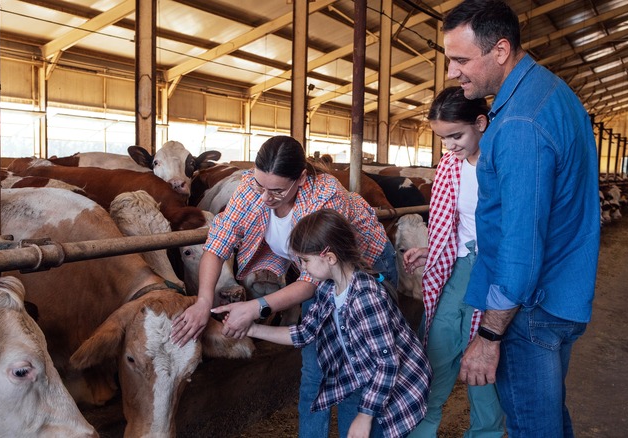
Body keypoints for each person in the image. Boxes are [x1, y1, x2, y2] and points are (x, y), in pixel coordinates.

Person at [442, 1, 600, 437]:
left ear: (500, 50)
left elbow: (520, 243)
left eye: (460, 59)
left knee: (533, 427)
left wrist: (490, 337)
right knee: (547, 419)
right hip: (562, 292)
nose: (452, 72)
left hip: (530, 308)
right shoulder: (553, 94)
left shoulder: (519, 123)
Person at [170, 135, 399, 437]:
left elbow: (309, 282)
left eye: (277, 190)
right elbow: (218, 244)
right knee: (313, 372)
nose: (265, 197)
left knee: (355, 370)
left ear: (301, 178)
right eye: (260, 185)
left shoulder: (324, 196)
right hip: (315, 271)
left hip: (363, 271)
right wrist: (202, 301)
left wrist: (254, 308)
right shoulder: (252, 189)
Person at [239, 208, 430, 438]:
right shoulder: (328, 289)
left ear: (329, 257)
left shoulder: (366, 298)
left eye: (305, 260)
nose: (302, 267)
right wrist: (252, 329)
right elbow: (304, 333)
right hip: (359, 380)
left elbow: (388, 364)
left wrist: (365, 415)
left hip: (391, 395)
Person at [402, 86, 505, 437]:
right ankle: (420, 431)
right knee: (435, 354)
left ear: (481, 123)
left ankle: (486, 431)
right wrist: (434, 249)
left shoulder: (504, 162)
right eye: (443, 139)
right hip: (457, 269)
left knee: (482, 370)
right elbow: (452, 223)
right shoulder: (449, 166)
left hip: (496, 273)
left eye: (456, 135)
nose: (449, 146)